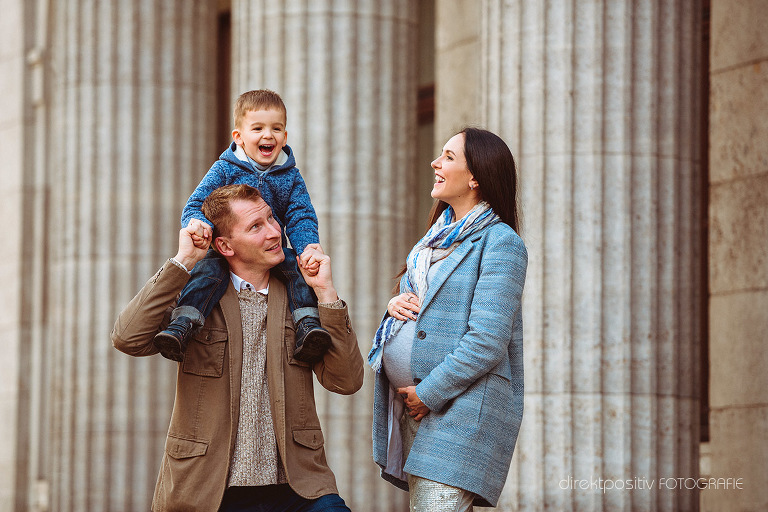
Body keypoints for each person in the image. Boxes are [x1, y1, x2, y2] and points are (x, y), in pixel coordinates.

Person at [112, 184, 364, 512]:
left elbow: (345, 380)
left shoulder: (300, 297)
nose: (275, 232)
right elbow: (127, 338)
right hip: (210, 490)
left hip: (298, 488)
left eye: (272, 219)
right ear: (225, 246)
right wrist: (183, 261)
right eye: (256, 227)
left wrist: (326, 293)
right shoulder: (195, 299)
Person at [369, 127, 528, 510]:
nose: (435, 162)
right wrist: (394, 307)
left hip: (457, 410)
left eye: (448, 157)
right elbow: (426, 311)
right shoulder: (431, 242)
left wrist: (427, 393)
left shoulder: (501, 242)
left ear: (475, 177)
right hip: (415, 410)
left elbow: (487, 341)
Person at [153, 89, 330, 364]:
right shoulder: (224, 169)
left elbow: (300, 214)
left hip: (271, 250)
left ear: (285, 137)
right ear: (239, 137)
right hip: (227, 248)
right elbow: (196, 204)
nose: (268, 135)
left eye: (276, 128)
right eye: (258, 128)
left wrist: (307, 246)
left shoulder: (291, 176)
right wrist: (198, 224)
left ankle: (307, 326)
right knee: (206, 273)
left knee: (298, 271)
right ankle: (183, 323)